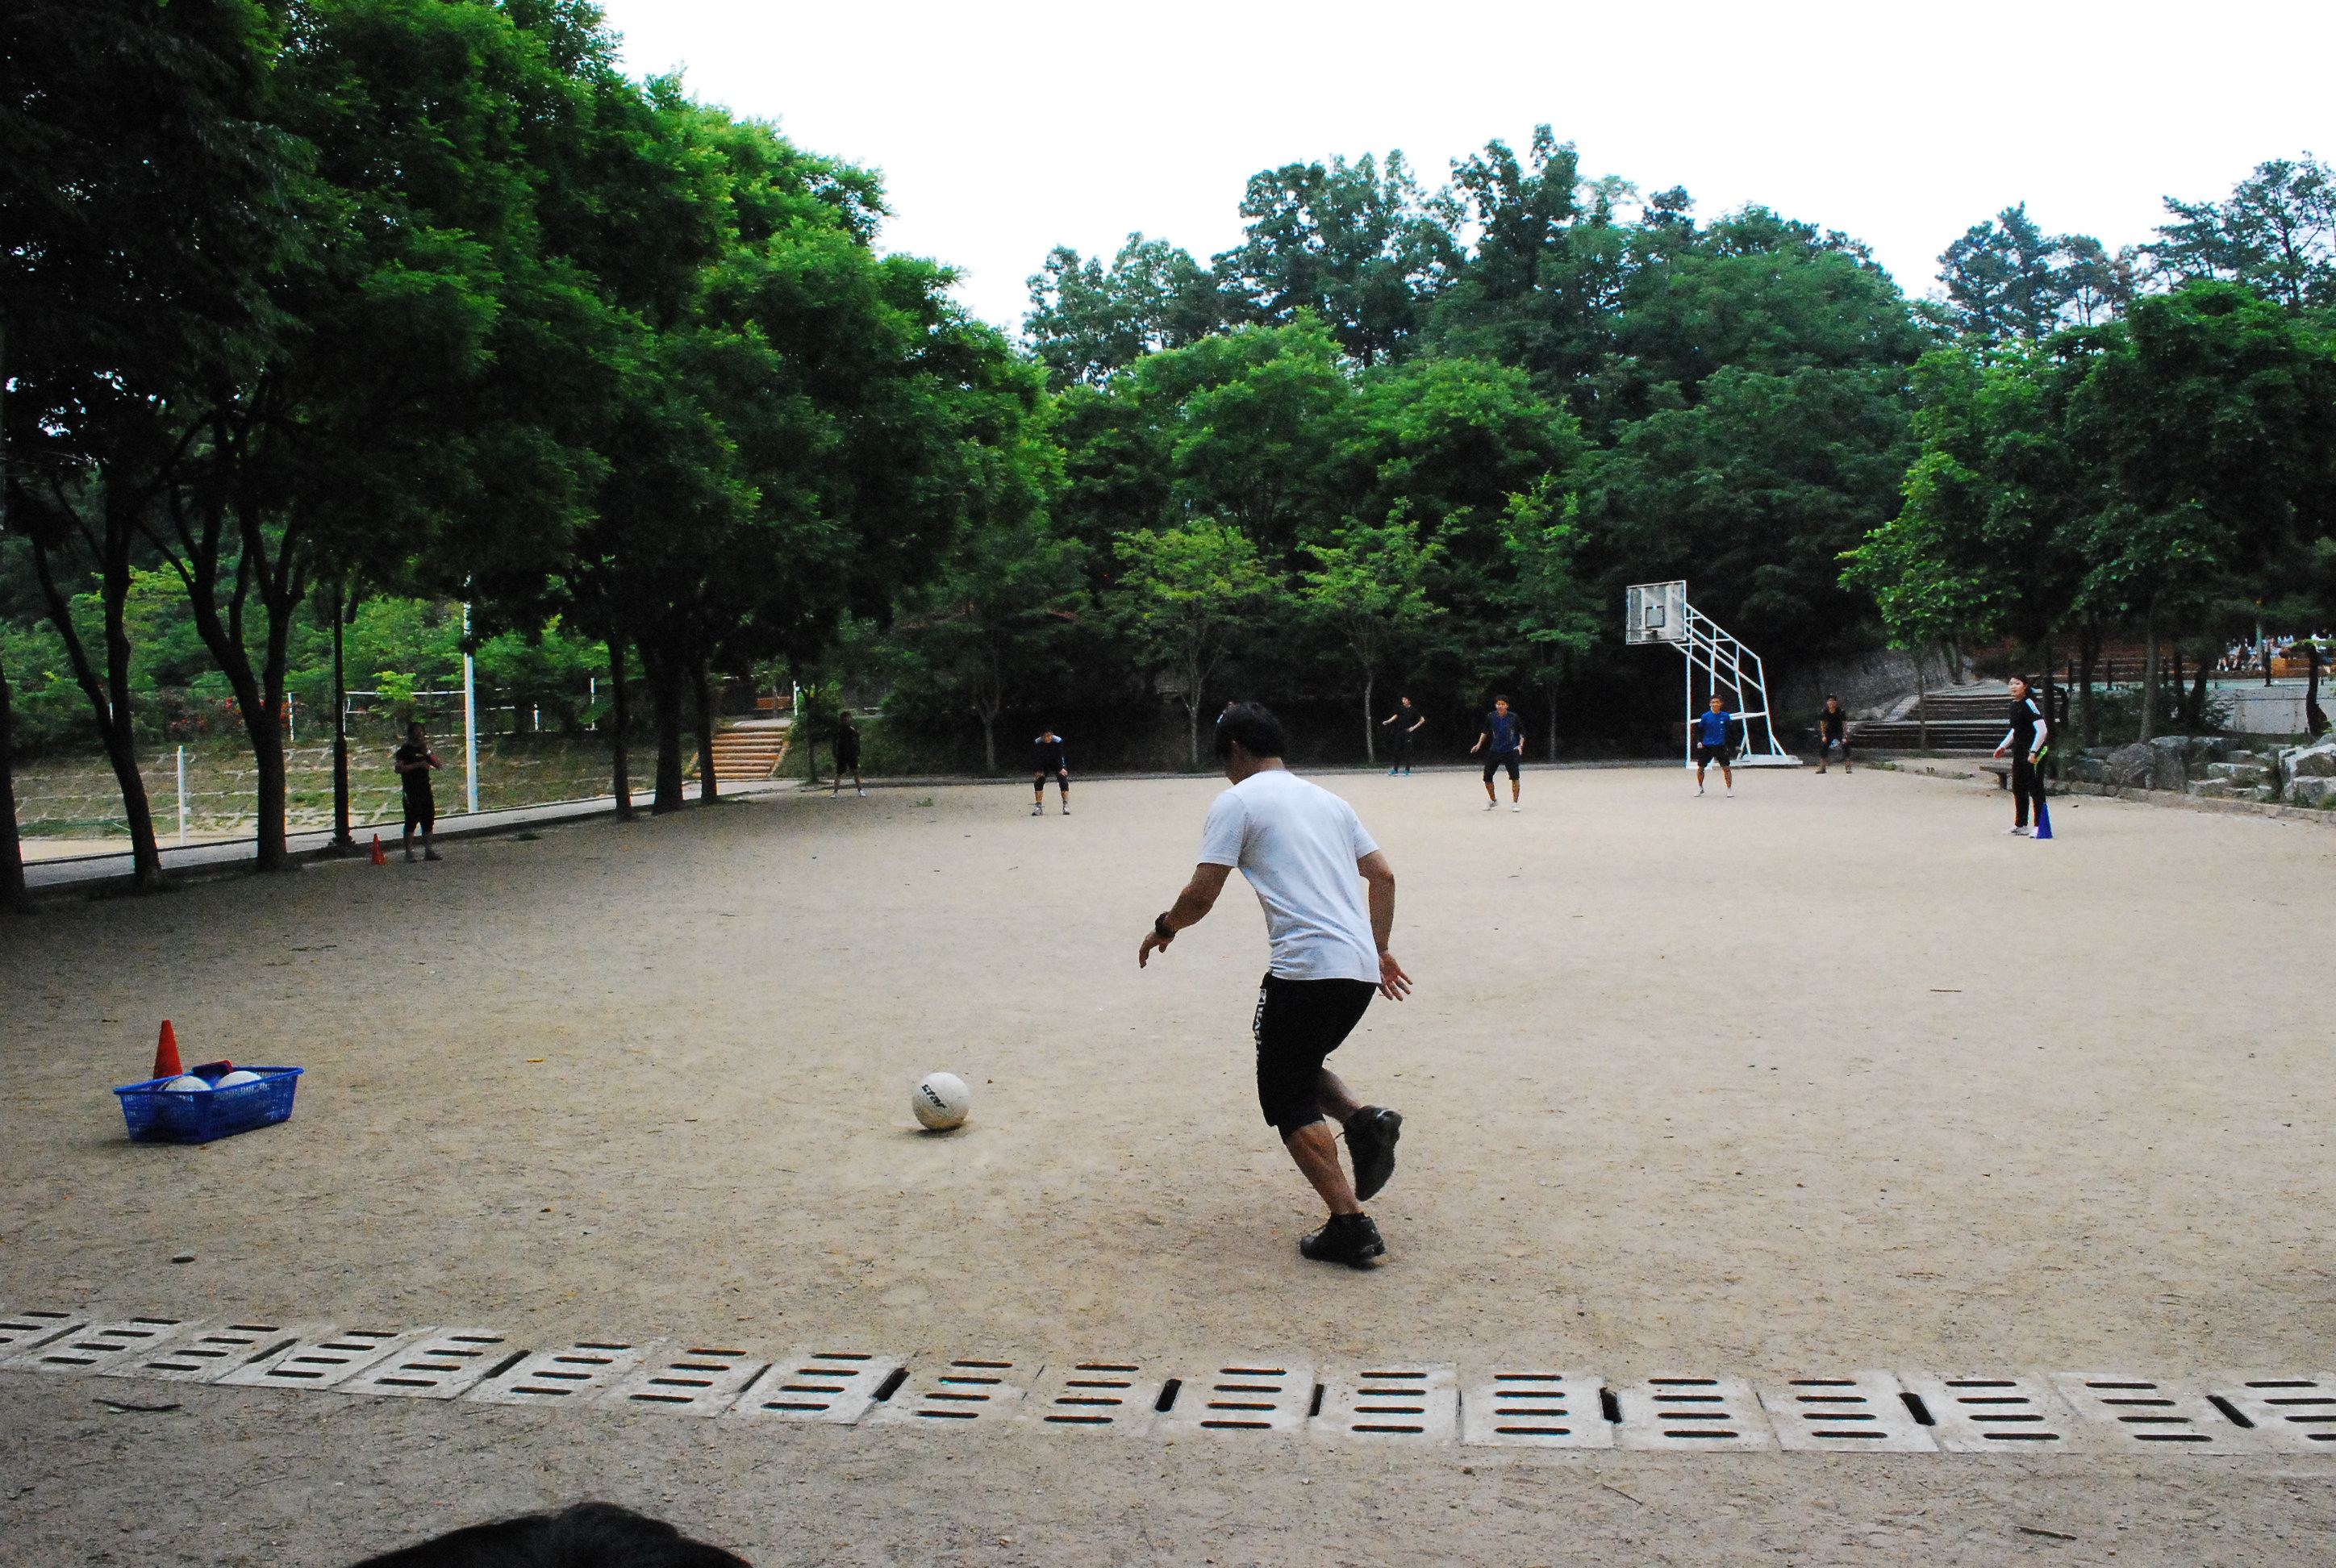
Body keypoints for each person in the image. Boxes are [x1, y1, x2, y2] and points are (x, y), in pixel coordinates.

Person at [1137, 702, 1412, 1267]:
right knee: (1294, 1062)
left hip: (1306, 968)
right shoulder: (1330, 801)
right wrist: (1380, 949)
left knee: (1285, 1093)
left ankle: (1350, 1224)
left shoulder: (1238, 801)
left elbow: (1202, 892)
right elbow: (1383, 875)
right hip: (1358, 969)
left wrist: (1166, 927)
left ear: (1236, 749)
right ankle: (1364, 1121)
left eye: (1223, 759)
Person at [1993, 673, 2050, 835]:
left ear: (2025, 686)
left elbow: (2042, 730)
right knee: (2018, 788)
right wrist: (2003, 746)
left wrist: (2034, 751)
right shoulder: (2014, 705)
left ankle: (2040, 826)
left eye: (2017, 683)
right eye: (2011, 684)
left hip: (2034, 753)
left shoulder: (2029, 704)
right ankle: (2021, 825)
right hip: (2019, 752)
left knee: (2035, 788)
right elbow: (2015, 730)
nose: (2013, 687)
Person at [392, 722, 443, 862]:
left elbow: (438, 765)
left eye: (422, 732)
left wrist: (427, 753)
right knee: (412, 819)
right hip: (411, 790)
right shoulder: (404, 751)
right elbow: (399, 769)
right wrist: (417, 765)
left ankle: (429, 850)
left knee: (428, 818)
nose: (420, 735)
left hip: (425, 788)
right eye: (417, 732)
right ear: (411, 734)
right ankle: (409, 852)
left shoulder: (424, 750)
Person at [1470, 696, 1525, 811]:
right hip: (1495, 750)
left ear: (1507, 706)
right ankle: (1493, 800)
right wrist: (1479, 744)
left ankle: (1515, 803)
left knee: (1515, 777)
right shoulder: (1491, 716)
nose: (1500, 706)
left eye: (1502, 704)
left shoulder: (1513, 717)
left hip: (1511, 750)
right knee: (1487, 777)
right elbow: (1485, 731)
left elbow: (1522, 732)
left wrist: (1520, 745)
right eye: (1498, 704)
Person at [1693, 694, 1736, 796]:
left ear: (1721, 704)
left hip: (1720, 746)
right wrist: (1699, 741)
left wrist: (1734, 744)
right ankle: (1700, 787)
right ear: (1710, 704)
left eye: (1717, 702)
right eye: (1713, 702)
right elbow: (1700, 730)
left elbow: (1731, 731)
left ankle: (1729, 789)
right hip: (1707, 746)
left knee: (1726, 768)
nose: (1715, 704)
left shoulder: (1725, 717)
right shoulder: (1705, 716)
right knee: (1701, 768)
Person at [1380, 696, 1425, 776]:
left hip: (1407, 732)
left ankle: (1407, 771)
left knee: (1407, 751)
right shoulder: (1400, 708)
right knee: (1397, 750)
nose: (1403, 701)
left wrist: (1413, 728)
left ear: (1409, 700)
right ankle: (1395, 769)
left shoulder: (1413, 710)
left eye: (1405, 699)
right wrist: (1389, 721)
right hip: (1399, 732)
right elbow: (1396, 715)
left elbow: (1422, 720)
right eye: (1402, 699)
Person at [1032, 727, 1070, 815]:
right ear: (1042, 737)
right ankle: (1038, 806)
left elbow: (1060, 755)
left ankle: (1066, 804)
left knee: (1063, 779)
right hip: (1044, 763)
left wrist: (1062, 768)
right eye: (1045, 736)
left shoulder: (1058, 741)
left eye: (1049, 736)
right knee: (1039, 780)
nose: (1047, 738)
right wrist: (1038, 770)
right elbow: (1036, 758)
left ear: (1052, 735)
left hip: (1056, 762)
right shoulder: (1037, 742)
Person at [1815, 696, 1851, 775]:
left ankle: (1848, 765)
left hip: (1839, 731)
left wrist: (1845, 735)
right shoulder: (1824, 711)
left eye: (1833, 701)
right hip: (1829, 732)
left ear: (1836, 702)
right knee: (1824, 745)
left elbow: (1844, 724)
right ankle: (1822, 767)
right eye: (1829, 701)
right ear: (1827, 702)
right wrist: (1823, 735)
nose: (1831, 702)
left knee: (1845, 744)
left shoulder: (1841, 711)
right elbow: (1822, 724)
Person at [832, 713, 865, 797]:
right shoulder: (838, 730)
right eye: (845, 719)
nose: (847, 720)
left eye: (848, 719)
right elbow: (834, 743)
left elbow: (857, 742)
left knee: (856, 772)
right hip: (841, 754)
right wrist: (835, 754)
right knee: (839, 773)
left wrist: (858, 753)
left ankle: (860, 790)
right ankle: (835, 792)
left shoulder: (853, 730)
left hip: (852, 754)